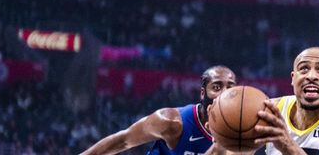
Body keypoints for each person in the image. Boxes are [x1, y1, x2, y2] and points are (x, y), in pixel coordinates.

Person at [209, 46, 319, 155]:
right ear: (293, 79)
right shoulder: (269, 110)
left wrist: (287, 145)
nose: (311, 76)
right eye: (304, 69)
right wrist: (222, 143)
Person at [81, 65, 237, 155]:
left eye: (230, 88)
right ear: (202, 93)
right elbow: (123, 140)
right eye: (216, 87)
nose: (224, 93)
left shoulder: (239, 132)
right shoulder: (171, 122)